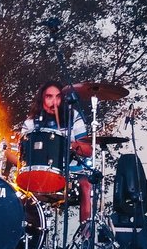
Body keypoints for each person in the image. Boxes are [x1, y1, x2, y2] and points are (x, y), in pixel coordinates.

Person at [19, 81, 94, 223]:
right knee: (20, 191)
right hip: (40, 172)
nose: (54, 101)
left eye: (58, 97)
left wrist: (66, 144)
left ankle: (86, 235)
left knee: (86, 184)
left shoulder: (74, 116)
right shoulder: (30, 123)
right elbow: (21, 153)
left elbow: (88, 150)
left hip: (72, 172)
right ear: (42, 99)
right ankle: (30, 236)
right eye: (49, 97)